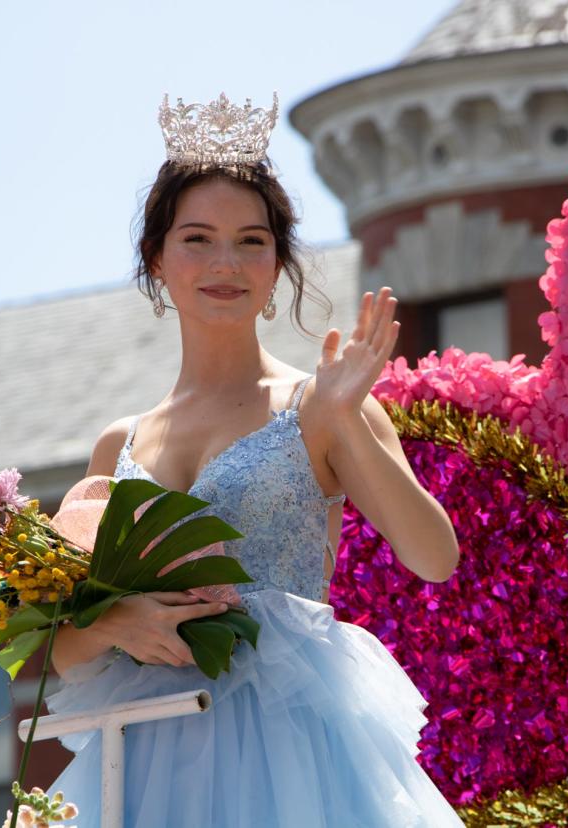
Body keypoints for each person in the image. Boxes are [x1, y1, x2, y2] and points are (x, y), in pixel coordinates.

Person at [44, 93, 463, 827]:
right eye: (198, 239)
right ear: (157, 259)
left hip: (294, 765)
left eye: (251, 241)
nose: (226, 263)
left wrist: (344, 420)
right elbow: (68, 656)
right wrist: (116, 623)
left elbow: (434, 556)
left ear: (277, 266)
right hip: (146, 765)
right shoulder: (121, 442)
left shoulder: (320, 404)